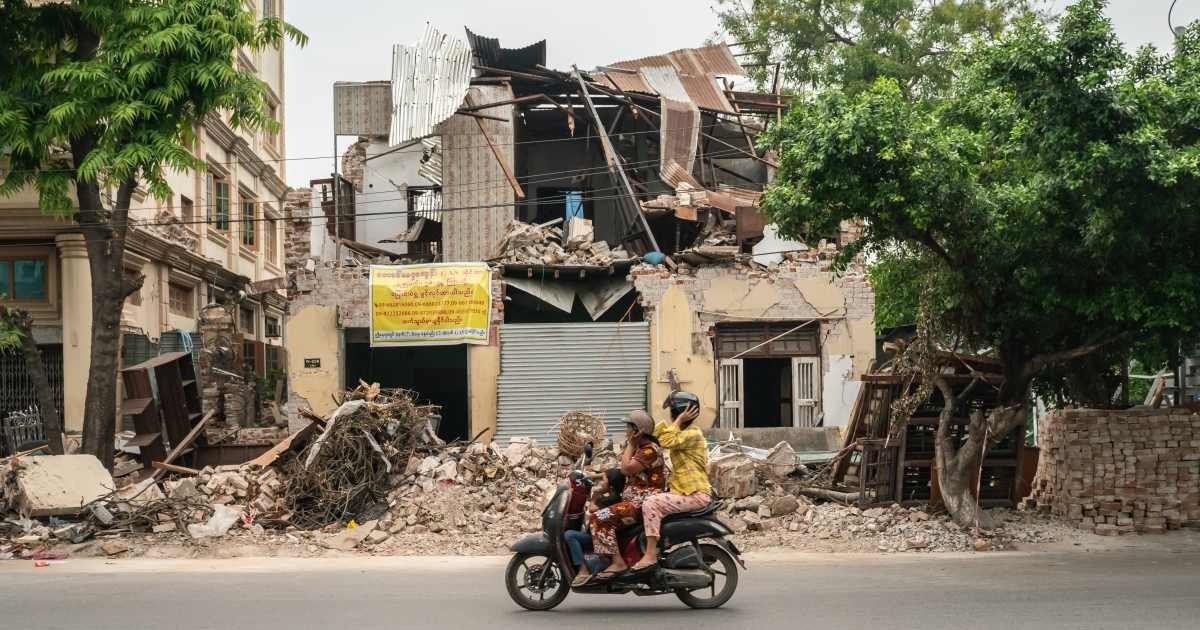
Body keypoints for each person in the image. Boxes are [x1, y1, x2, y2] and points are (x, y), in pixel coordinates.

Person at [578, 410, 665, 585]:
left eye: (628, 427)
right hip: (633, 501)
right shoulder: (641, 449)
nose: (625, 430)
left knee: (598, 518)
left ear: (637, 431)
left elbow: (626, 469)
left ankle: (618, 563)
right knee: (599, 510)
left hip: (641, 504)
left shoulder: (648, 450)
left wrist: (630, 445)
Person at [633, 391, 711, 571]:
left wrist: (678, 420)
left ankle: (650, 555)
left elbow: (666, 440)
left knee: (651, 504)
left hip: (695, 494)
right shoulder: (683, 432)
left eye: (672, 412)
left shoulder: (693, 434)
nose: (670, 415)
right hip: (683, 491)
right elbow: (658, 438)